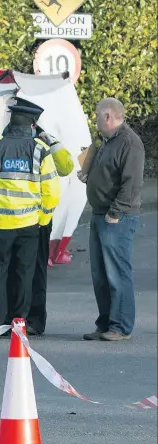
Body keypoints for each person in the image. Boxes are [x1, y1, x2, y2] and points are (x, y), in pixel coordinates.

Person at [0, 97, 61, 332]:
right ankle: (19, 324)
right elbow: (52, 191)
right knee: (24, 274)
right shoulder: (41, 150)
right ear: (33, 125)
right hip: (28, 224)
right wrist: (43, 218)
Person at [80, 98, 145, 341]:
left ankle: (120, 327)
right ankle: (106, 323)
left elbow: (132, 184)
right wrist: (88, 175)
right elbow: (109, 173)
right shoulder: (107, 141)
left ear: (108, 116)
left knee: (117, 273)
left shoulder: (130, 144)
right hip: (101, 214)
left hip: (116, 217)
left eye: (97, 115)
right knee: (101, 275)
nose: (95, 119)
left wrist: (115, 213)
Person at [24, 119, 75, 335]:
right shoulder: (8, 141)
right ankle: (24, 318)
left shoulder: (44, 143)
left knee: (34, 271)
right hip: (23, 218)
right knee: (25, 271)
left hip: (36, 219)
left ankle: (33, 320)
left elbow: (67, 167)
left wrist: (51, 141)